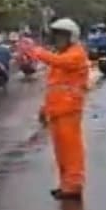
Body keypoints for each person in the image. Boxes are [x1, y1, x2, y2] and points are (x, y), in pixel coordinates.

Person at [20, 18, 91, 200]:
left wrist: (36, 51)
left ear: (71, 37)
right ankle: (65, 184)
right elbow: (53, 87)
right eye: (56, 36)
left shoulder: (76, 54)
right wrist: (45, 109)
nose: (58, 40)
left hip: (69, 110)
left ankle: (74, 185)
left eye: (62, 36)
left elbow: (58, 61)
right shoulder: (61, 58)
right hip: (57, 111)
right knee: (61, 151)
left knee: (71, 150)